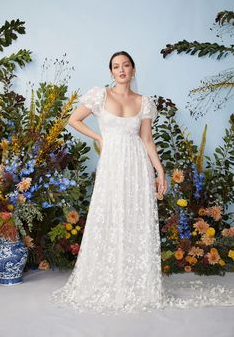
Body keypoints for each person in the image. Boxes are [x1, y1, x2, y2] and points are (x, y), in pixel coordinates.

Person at [51, 51, 234, 315]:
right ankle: (108, 280)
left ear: (133, 70)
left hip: (137, 165)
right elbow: (73, 119)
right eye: (116, 66)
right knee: (110, 216)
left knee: (135, 218)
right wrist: (99, 138)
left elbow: (147, 140)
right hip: (113, 165)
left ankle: (137, 283)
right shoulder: (100, 95)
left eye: (126, 65)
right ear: (111, 72)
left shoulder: (144, 102)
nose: (121, 70)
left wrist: (160, 172)